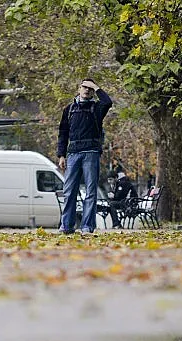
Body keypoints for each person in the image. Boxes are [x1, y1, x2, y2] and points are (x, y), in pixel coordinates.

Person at [57, 78, 112, 233]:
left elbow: (108, 102)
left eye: (90, 88)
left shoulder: (97, 108)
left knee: (91, 191)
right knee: (69, 191)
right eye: (84, 87)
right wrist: (61, 155)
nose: (87, 90)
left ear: (93, 91)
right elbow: (63, 133)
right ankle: (66, 226)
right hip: (73, 153)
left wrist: (96, 86)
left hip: (91, 152)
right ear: (78, 88)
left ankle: (87, 227)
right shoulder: (69, 109)